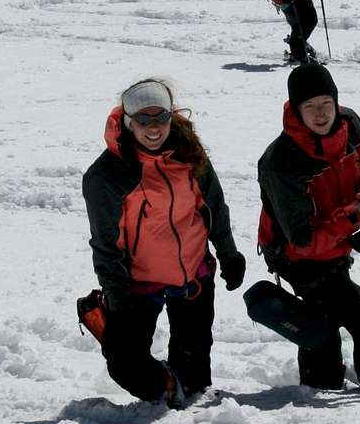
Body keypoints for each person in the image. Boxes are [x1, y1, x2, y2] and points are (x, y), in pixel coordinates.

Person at [82, 79, 246, 407]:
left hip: (193, 279)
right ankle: (167, 387)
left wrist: (229, 254)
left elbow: (214, 206)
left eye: (161, 119)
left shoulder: (189, 154)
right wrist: (115, 294)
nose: (154, 128)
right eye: (143, 120)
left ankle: (188, 417)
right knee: (126, 365)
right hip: (138, 285)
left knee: (196, 384)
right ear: (128, 122)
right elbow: (105, 244)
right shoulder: (106, 176)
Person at [256, 62, 360, 391]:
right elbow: (304, 241)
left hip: (340, 234)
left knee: (323, 329)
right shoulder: (279, 163)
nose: (321, 113)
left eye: (327, 103)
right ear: (296, 110)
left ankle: (319, 389)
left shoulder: (351, 124)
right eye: (310, 107)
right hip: (298, 259)